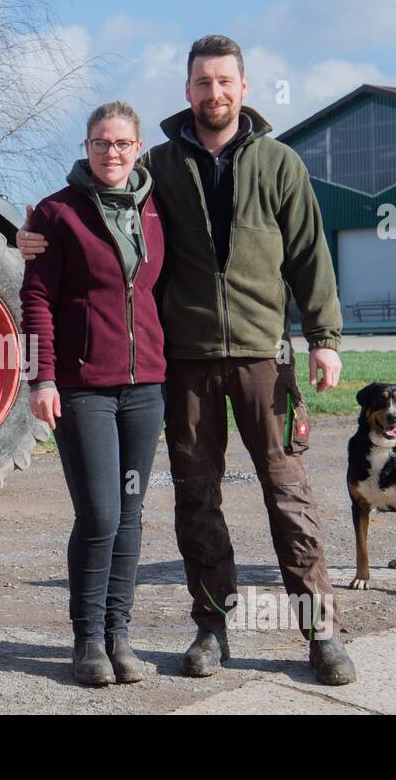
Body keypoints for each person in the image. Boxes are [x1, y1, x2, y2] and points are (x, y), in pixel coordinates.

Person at [18, 35, 357, 686]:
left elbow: (310, 255)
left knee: (289, 496)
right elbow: (94, 203)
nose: (214, 93)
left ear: (243, 87)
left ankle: (322, 633)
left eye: (224, 81)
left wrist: (325, 338)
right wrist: (28, 231)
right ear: (187, 91)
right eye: (202, 83)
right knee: (196, 500)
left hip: (267, 358)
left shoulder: (281, 164)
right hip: (185, 364)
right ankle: (211, 630)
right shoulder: (161, 167)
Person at [20, 101, 167, 686]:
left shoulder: (156, 209)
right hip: (83, 390)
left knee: (131, 516)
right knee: (100, 514)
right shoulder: (57, 214)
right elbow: (37, 301)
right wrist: (44, 377)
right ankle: (86, 642)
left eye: (123, 143)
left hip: (146, 388)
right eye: (101, 142)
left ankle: (119, 638)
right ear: (86, 147)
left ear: (138, 149)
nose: (112, 153)